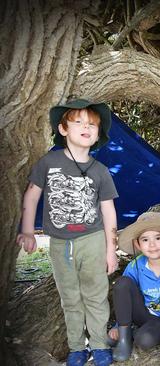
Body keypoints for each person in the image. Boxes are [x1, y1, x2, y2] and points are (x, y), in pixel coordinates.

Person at [16, 99, 118, 366]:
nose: (86, 127)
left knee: (95, 295)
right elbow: (32, 195)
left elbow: (109, 212)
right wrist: (27, 230)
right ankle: (76, 348)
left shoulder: (101, 171)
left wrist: (110, 250)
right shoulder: (49, 162)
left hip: (93, 240)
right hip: (60, 242)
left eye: (92, 124)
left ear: (97, 134)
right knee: (69, 297)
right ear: (63, 129)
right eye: (79, 122)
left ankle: (99, 345)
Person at [108, 212, 160, 361]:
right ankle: (124, 337)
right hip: (142, 313)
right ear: (137, 244)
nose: (152, 245)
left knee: (144, 340)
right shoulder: (135, 266)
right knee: (122, 283)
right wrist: (117, 326)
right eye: (145, 239)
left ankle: (134, 333)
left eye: (158, 238)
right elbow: (124, 297)